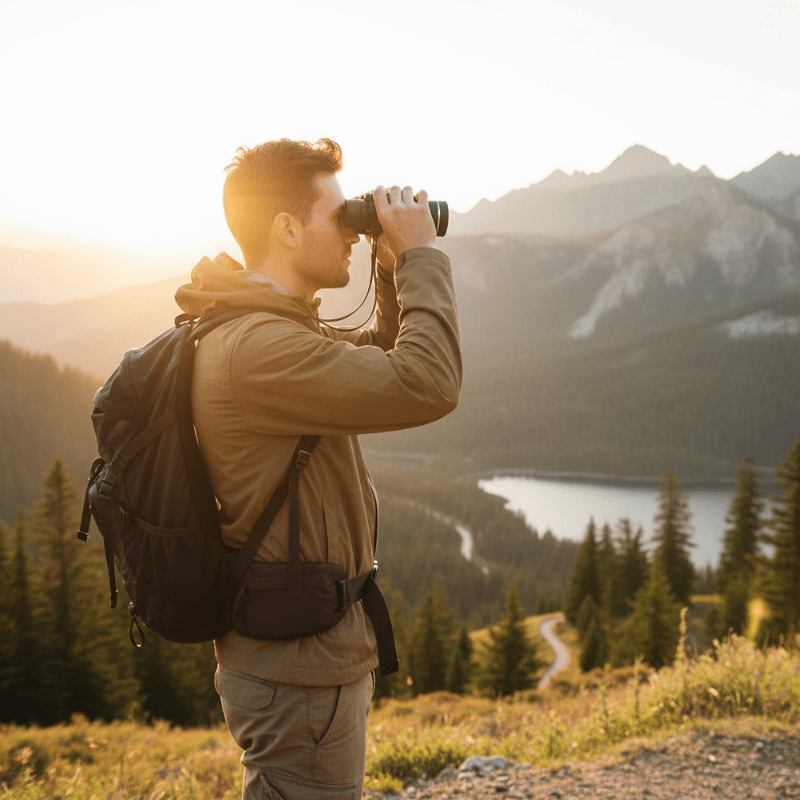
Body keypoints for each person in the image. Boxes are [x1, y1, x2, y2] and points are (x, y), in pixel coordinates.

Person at [174, 138, 462, 799]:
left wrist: (390, 271)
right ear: (285, 227)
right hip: (297, 672)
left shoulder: (266, 329)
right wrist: (420, 255)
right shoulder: (261, 347)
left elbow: (382, 364)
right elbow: (429, 383)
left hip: (300, 660)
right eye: (343, 216)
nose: (356, 232)